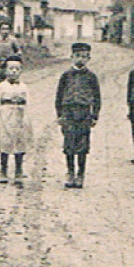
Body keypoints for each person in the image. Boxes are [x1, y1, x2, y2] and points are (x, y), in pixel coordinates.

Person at [54, 42, 101, 188]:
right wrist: (59, 114)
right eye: (77, 56)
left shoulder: (91, 77)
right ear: (71, 57)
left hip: (84, 112)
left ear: (89, 58)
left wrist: (94, 115)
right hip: (68, 113)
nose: (80, 59)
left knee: (82, 145)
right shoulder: (65, 76)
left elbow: (97, 97)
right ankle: (70, 173)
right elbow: (59, 96)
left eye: (84, 57)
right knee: (69, 143)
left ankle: (81, 174)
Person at [0, 57, 32, 185]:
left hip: (20, 114)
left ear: (21, 71)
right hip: (5, 115)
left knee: (20, 141)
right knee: (5, 141)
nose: (14, 71)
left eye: (17, 69)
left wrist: (26, 113)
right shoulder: (2, 86)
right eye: (11, 69)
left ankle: (19, 170)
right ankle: (3, 170)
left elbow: (28, 101)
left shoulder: (23, 87)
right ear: (6, 71)